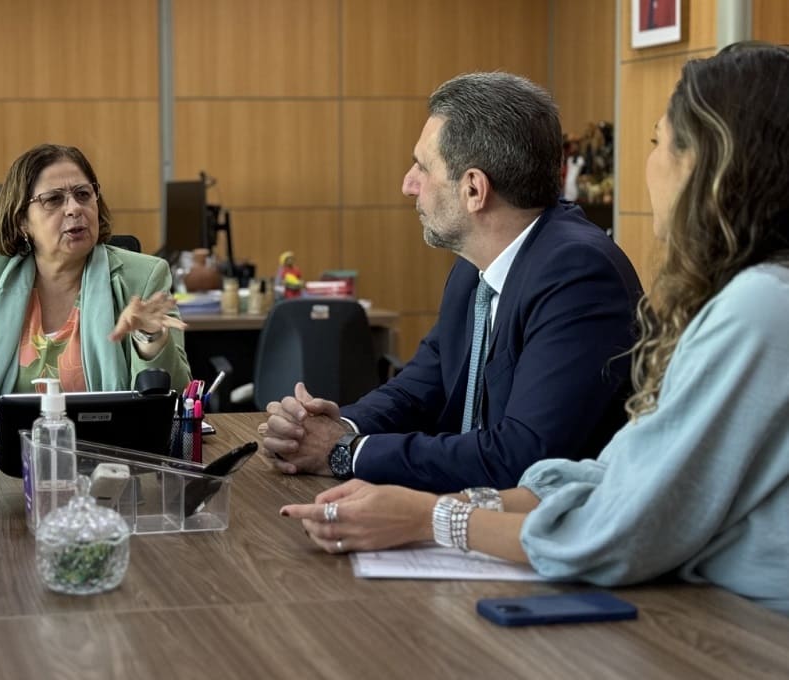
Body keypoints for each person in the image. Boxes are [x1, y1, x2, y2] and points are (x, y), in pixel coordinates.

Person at [281, 43, 789, 617]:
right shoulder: (751, 299)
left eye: (658, 141)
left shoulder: (757, 304)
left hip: (740, 627)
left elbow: (620, 525)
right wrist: (343, 434)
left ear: (711, 168)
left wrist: (430, 515)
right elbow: (616, 471)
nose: (407, 185)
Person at [261, 72, 643, 493]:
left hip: (547, 537)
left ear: (474, 190)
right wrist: (334, 427)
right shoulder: (474, 268)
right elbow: (422, 386)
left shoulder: (577, 274)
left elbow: (522, 457)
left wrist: (346, 452)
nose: (407, 184)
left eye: (422, 167)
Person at [0, 143, 192, 425]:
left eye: (83, 195)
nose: (74, 209)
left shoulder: (143, 277)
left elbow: (174, 403)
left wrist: (150, 339)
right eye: (53, 200)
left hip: (107, 460)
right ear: (22, 221)